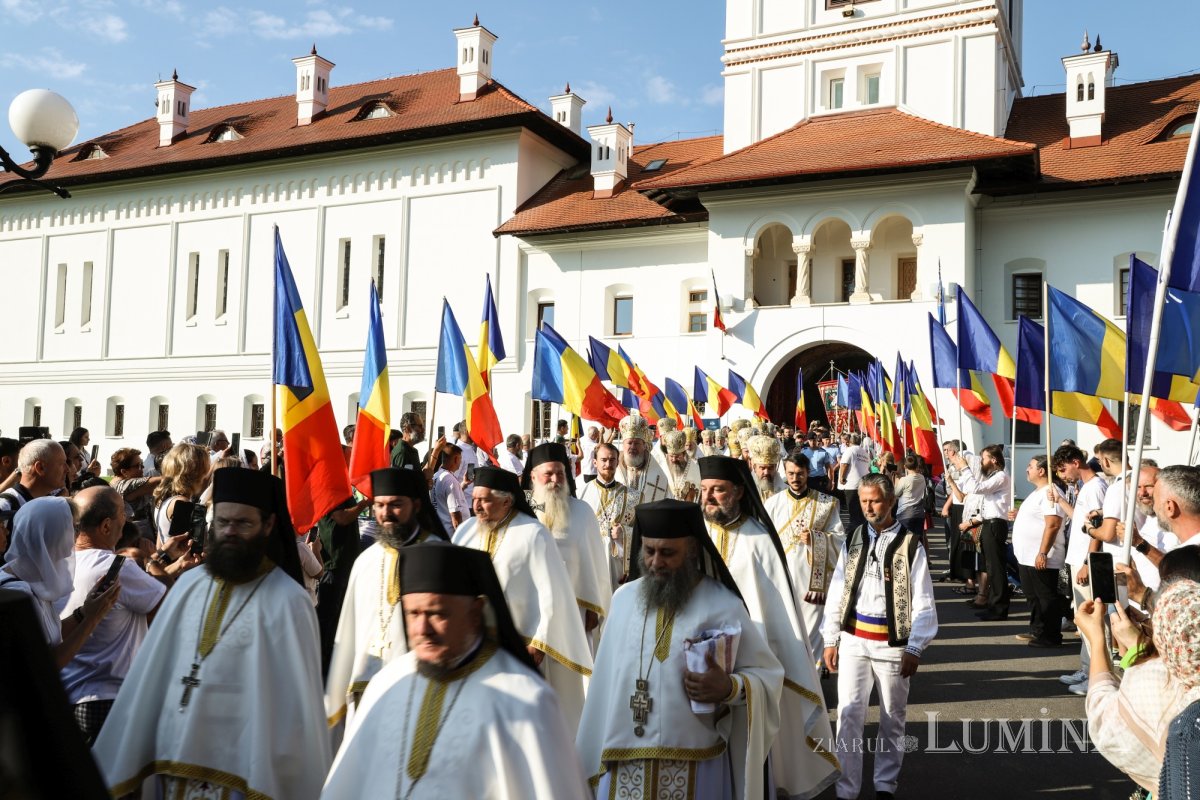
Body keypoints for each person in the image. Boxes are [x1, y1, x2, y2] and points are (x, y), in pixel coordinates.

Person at [93, 468, 330, 800]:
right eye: (222, 522)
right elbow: (150, 674)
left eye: (242, 523)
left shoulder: (289, 601)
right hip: (171, 758)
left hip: (243, 772)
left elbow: (297, 706)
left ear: (268, 525)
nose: (229, 531)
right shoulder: (190, 584)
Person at [322, 542, 591, 799]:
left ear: (476, 613)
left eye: (437, 614)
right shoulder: (386, 683)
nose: (422, 629)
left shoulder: (525, 701)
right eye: (413, 614)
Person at [577, 499, 784, 799]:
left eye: (668, 553)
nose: (655, 562)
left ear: (692, 550)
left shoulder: (723, 604)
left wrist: (729, 687)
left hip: (698, 764)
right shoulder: (623, 600)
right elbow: (603, 686)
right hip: (625, 756)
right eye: (649, 551)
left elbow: (767, 676)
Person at [697, 455, 840, 798]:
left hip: (749, 665)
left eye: (718, 490)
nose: (709, 497)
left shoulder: (757, 539)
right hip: (699, 657)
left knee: (747, 750)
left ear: (738, 492)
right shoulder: (696, 536)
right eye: (704, 490)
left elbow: (776, 613)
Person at [822, 473, 938, 800]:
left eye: (875, 501)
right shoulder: (854, 537)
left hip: (892, 644)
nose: (869, 507)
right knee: (849, 714)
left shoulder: (910, 544)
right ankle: (846, 789)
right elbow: (838, 589)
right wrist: (830, 638)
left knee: (892, 717)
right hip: (853, 639)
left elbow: (924, 600)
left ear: (891, 502)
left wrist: (915, 647)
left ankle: (885, 785)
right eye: (864, 501)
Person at [452, 466, 593, 732]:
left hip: (521, 648)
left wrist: (540, 643)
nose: (476, 507)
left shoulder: (533, 533)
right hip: (475, 646)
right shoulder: (466, 531)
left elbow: (553, 593)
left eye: (484, 500)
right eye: (474, 499)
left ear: (507, 501)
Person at [60, 486, 195, 745]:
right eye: (123, 512)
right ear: (106, 526)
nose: (127, 519)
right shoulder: (115, 567)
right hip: (109, 700)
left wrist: (163, 556)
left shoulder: (62, 564)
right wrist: (152, 561)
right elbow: (169, 606)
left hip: (69, 698)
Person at [325, 467, 447, 746]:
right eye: (379, 505)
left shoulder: (439, 556)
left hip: (417, 690)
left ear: (416, 505)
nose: (386, 513)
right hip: (364, 689)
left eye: (395, 505)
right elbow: (348, 633)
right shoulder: (365, 561)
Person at [0, 496, 121, 667]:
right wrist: (92, 619)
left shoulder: (31, 577)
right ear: (52, 535)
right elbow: (45, 665)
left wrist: (84, 612)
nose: (76, 535)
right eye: (72, 528)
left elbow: (47, 637)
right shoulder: (18, 593)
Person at [522, 443, 611, 648]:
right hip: (531, 606)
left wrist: (594, 607)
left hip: (574, 608)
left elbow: (597, 565)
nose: (555, 480)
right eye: (548, 474)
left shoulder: (582, 512)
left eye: (560, 473)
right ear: (533, 476)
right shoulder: (522, 512)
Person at [765, 448, 845, 659]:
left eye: (800, 473)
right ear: (785, 473)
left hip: (812, 581)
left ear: (808, 472)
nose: (795, 478)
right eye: (791, 474)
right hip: (781, 578)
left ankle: (814, 674)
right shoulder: (772, 504)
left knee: (811, 631)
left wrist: (816, 539)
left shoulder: (827, 503)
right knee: (785, 630)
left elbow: (840, 540)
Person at [1009, 455, 1067, 647]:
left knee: (1046, 597)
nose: (1027, 469)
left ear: (1041, 471)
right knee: (1033, 596)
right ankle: (1038, 630)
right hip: (1026, 556)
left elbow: (1053, 524)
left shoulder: (1051, 492)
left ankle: (1051, 636)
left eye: (1030, 466)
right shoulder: (1038, 492)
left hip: (1042, 555)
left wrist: (1042, 552)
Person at [953, 444, 1011, 621]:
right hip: (989, 523)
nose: (981, 462)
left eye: (984, 458)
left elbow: (975, 488)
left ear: (994, 459)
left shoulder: (1001, 477)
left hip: (996, 525)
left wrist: (965, 468)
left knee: (996, 568)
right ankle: (993, 605)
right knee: (990, 567)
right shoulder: (993, 477)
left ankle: (999, 608)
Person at [578, 441, 637, 587]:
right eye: (603, 460)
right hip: (590, 561)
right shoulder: (581, 493)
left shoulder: (632, 497)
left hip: (617, 566)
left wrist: (624, 532)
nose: (608, 464)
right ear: (595, 462)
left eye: (612, 460)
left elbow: (640, 533)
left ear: (617, 462)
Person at [0, 439, 69, 552]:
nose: (67, 469)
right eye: (62, 464)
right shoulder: (5, 506)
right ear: (40, 468)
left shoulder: (50, 504)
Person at [151, 442, 211, 547]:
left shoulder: (164, 498)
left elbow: (160, 544)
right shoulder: (182, 503)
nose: (206, 475)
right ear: (196, 473)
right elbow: (184, 549)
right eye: (205, 469)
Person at [614, 414, 669, 504]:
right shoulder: (614, 468)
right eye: (629, 443)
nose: (633, 447)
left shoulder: (658, 475)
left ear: (644, 446)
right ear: (623, 445)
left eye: (637, 443)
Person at [109, 448, 161, 541]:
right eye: (138, 466)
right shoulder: (123, 485)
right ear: (124, 472)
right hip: (135, 542)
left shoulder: (118, 483)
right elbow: (158, 482)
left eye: (142, 464)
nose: (142, 468)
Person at [430, 442, 467, 532]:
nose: (460, 462)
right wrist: (460, 536)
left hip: (440, 530)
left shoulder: (436, 476)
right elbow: (456, 516)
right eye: (460, 459)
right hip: (451, 534)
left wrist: (464, 484)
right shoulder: (450, 480)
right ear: (456, 459)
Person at [838, 433, 871, 532]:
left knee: (852, 509)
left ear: (850, 441)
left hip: (851, 484)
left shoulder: (850, 450)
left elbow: (844, 464)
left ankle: (853, 530)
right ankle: (862, 528)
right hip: (863, 483)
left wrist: (841, 478)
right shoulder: (864, 452)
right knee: (861, 509)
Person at [661, 429, 701, 502]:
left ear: (684, 454)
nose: (674, 459)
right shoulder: (662, 469)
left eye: (677, 456)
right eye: (671, 456)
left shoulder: (694, 470)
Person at [893, 454, 928, 533]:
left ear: (905, 467)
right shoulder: (922, 478)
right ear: (916, 465)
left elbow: (896, 493)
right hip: (919, 512)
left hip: (905, 512)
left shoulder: (904, 480)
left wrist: (897, 481)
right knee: (917, 538)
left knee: (905, 538)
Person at [747, 434, 786, 500]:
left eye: (770, 468)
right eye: (762, 468)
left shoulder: (785, 492)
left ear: (775, 467)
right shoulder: (747, 491)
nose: (766, 472)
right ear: (754, 468)